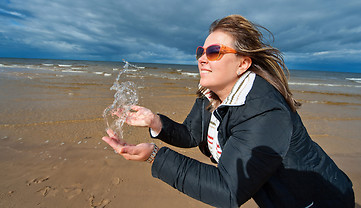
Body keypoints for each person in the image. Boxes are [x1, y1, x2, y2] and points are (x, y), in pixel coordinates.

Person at [102, 15, 355, 208]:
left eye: (214, 52)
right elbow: (191, 133)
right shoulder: (210, 93)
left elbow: (228, 189)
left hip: (321, 200)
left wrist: (154, 156)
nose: (202, 58)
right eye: (201, 51)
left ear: (243, 63)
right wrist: (155, 121)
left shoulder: (265, 111)